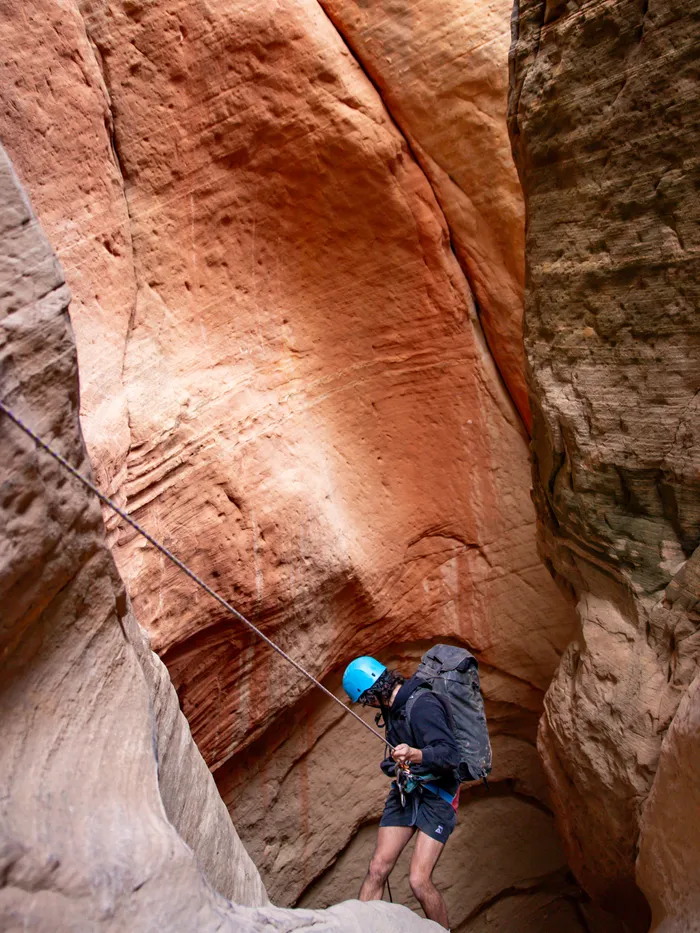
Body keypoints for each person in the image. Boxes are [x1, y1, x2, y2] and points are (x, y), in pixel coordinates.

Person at [343, 656, 459, 930]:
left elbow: (450, 754)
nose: (368, 706)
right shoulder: (392, 711)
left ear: (373, 695)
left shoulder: (423, 705)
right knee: (377, 870)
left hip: (438, 795)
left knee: (419, 881)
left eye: (366, 700)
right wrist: (394, 763)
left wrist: (415, 754)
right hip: (407, 791)